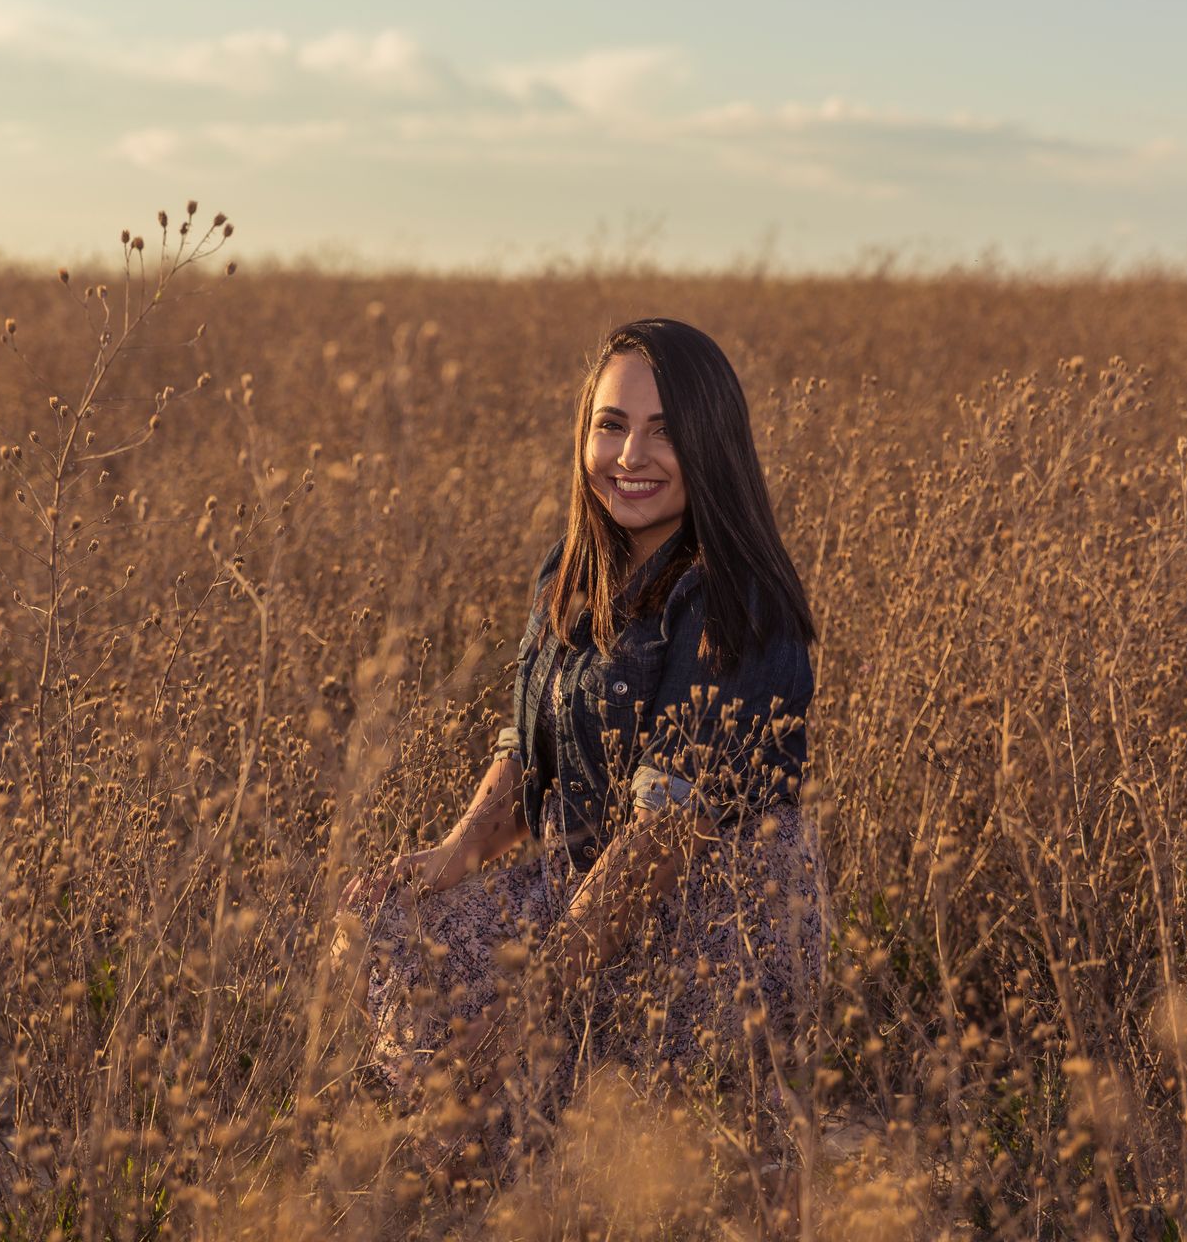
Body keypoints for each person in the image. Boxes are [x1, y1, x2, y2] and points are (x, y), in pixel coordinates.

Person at [330, 316, 827, 1179]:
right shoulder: (571, 567)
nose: (631, 455)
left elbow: (663, 842)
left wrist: (524, 1008)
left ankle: (667, 1135)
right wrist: (452, 853)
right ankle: (525, 1130)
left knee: (526, 1064)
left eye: (665, 431)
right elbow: (527, 750)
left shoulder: (732, 597)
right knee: (379, 928)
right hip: (582, 879)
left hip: (713, 917)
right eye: (612, 425)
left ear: (713, 443)